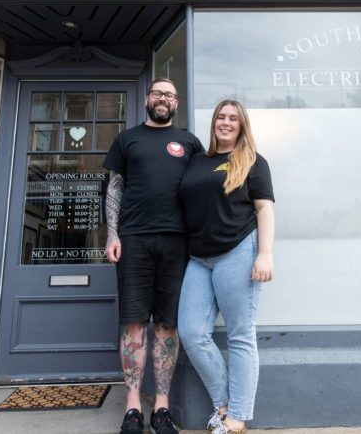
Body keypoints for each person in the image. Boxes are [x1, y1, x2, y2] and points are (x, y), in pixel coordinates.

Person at [104, 77, 205, 434]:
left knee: (168, 325)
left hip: (179, 244)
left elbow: (203, 190)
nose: (163, 98)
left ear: (175, 103)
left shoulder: (190, 143)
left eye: (169, 94)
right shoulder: (127, 139)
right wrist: (112, 234)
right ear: (147, 98)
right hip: (133, 240)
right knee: (133, 323)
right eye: (157, 93)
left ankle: (161, 407)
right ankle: (133, 407)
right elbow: (114, 189)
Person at [177, 100, 276, 434]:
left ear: (242, 125)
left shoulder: (253, 161)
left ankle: (236, 418)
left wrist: (265, 253)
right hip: (198, 258)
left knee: (240, 335)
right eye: (221, 116)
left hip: (238, 251)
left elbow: (264, 209)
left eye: (233, 118)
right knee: (191, 332)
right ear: (214, 122)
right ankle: (222, 404)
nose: (226, 122)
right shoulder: (196, 161)